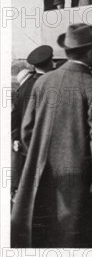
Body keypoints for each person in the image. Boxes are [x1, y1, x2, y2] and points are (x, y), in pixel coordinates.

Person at [11, 24, 92, 247]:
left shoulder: (43, 82)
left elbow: (27, 129)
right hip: (80, 174)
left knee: (45, 232)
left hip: (43, 170)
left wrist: (40, 157)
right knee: (78, 235)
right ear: (88, 52)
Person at [11, 45, 54, 199]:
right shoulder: (51, 86)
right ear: (50, 62)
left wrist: (16, 137)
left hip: (25, 145)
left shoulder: (23, 88)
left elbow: (14, 115)